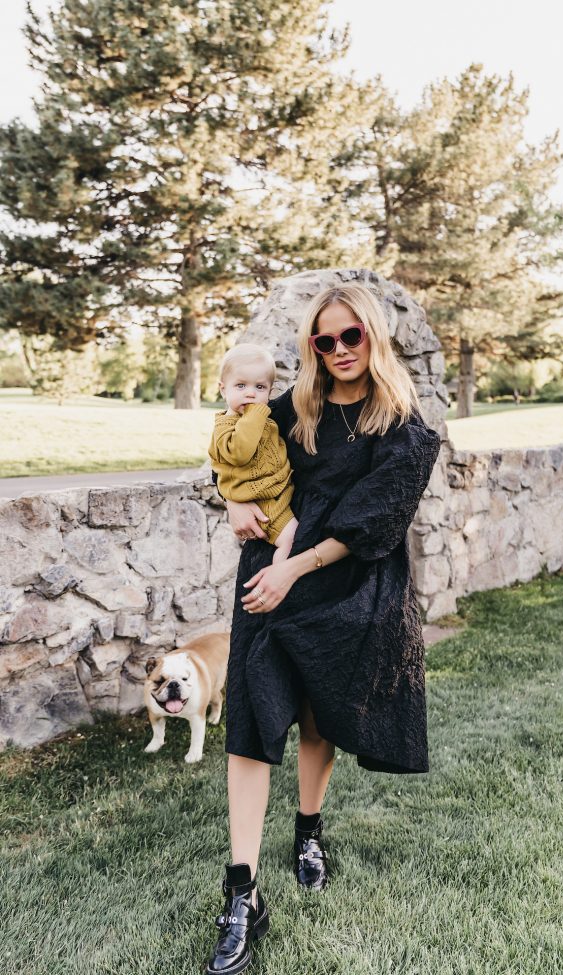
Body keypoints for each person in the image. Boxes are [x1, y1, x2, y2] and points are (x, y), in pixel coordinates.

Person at [204, 282, 441, 975]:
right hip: (268, 578)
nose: (338, 350)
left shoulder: (402, 426)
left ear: (373, 336)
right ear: (312, 345)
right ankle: (241, 892)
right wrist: (229, 500)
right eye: (324, 339)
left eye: (351, 336)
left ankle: (308, 831)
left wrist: (294, 568)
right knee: (250, 717)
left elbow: (370, 522)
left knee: (314, 718)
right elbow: (233, 443)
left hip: (345, 581)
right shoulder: (292, 408)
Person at [207, 343, 299, 564]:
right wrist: (256, 413)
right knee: (293, 540)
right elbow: (241, 453)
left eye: (259, 387)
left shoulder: (263, 419)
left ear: (270, 391)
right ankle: (277, 577)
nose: (250, 394)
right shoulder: (225, 427)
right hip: (263, 504)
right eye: (240, 386)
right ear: (223, 389)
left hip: (280, 493)